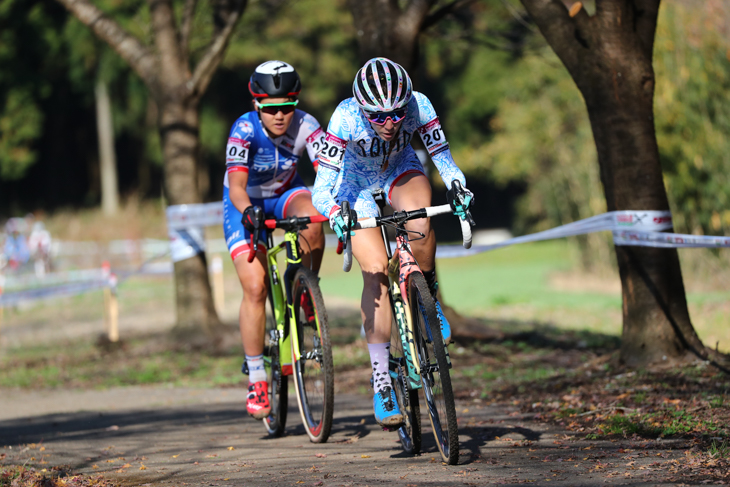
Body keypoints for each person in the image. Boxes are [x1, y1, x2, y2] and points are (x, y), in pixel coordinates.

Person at [311, 57, 473, 428]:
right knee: (376, 274)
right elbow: (322, 189)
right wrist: (337, 212)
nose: (390, 123)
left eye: (397, 114)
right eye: (379, 116)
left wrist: (458, 186)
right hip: (354, 186)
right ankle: (382, 380)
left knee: (420, 222)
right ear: (362, 108)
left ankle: (429, 299)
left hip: (401, 169)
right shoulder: (345, 118)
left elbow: (443, 160)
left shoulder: (420, 104)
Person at [223, 60, 326, 420]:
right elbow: (236, 186)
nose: (280, 115)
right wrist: (249, 212)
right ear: (257, 105)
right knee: (255, 287)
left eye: (287, 106)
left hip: (286, 193)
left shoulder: (307, 125)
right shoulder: (243, 130)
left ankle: (304, 286)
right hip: (246, 203)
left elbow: (327, 172)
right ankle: (256, 377)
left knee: (314, 214)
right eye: (271, 108)